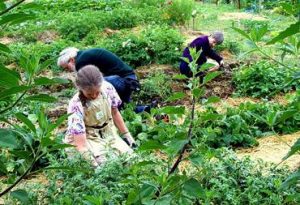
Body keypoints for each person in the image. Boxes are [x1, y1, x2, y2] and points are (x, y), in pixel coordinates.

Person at [64, 65, 136, 166]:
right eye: (89, 94)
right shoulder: (76, 105)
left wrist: (127, 135)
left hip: (108, 132)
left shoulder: (107, 88)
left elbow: (115, 112)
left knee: (131, 160)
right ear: (80, 88)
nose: (94, 96)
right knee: (107, 165)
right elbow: (80, 145)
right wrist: (94, 165)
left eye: (97, 92)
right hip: (88, 137)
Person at [57, 47, 146, 111]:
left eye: (66, 68)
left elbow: (86, 85)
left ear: (72, 60)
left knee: (94, 85)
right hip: (128, 80)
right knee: (123, 109)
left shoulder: (81, 61)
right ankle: (145, 109)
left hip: (123, 81)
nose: (68, 71)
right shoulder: (86, 56)